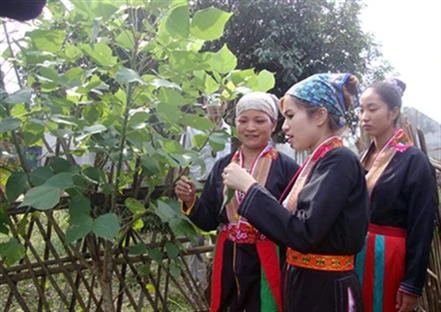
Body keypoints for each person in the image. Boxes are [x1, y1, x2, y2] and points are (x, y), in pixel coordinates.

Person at [222, 73, 369, 311]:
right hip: (308, 284)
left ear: (320, 115)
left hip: (326, 292)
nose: (285, 126)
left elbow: (304, 232)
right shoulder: (318, 161)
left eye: (290, 116)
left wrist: (250, 188)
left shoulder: (339, 161)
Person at [175, 92, 299, 312]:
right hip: (228, 257)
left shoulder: (287, 169)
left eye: (259, 120)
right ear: (235, 124)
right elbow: (209, 220)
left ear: (273, 124)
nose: (250, 127)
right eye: (243, 120)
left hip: (268, 258)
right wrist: (191, 200)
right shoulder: (223, 165)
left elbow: (293, 223)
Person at [355, 79, 438, 312]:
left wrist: (412, 283)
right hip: (355, 251)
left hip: (389, 256)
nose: (364, 117)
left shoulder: (414, 161)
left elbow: (422, 225)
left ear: (393, 112)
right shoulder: (362, 158)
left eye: (373, 109)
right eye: (361, 110)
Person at [181, 95, 232, 181]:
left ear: (226, 105)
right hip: (196, 184)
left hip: (220, 184)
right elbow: (182, 158)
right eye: (212, 102)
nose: (216, 106)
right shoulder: (193, 128)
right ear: (205, 103)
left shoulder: (228, 130)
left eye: (221, 102)